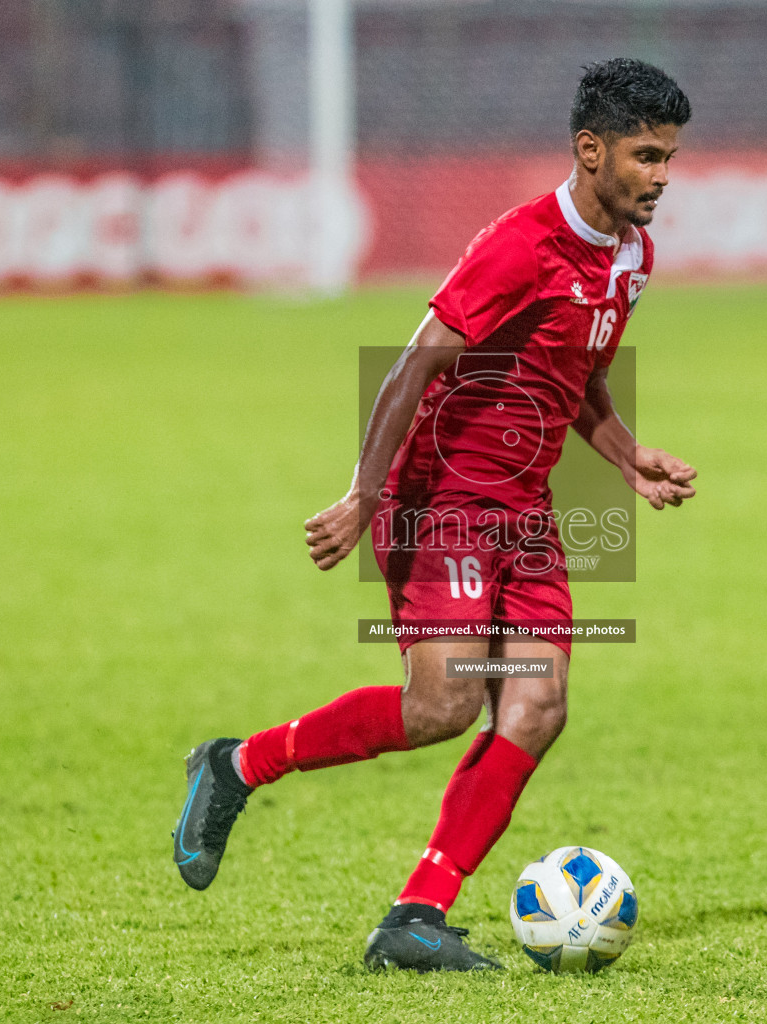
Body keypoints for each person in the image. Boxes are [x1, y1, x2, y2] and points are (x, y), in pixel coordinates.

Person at [171, 58, 698, 972]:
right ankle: (236, 765)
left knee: (535, 707)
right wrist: (364, 496)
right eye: (646, 156)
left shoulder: (633, 257)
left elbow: (579, 377)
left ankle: (415, 917)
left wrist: (626, 456)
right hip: (441, 502)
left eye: (670, 158)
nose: (662, 175)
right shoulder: (521, 245)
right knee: (444, 706)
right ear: (590, 149)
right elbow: (414, 361)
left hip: (526, 511)